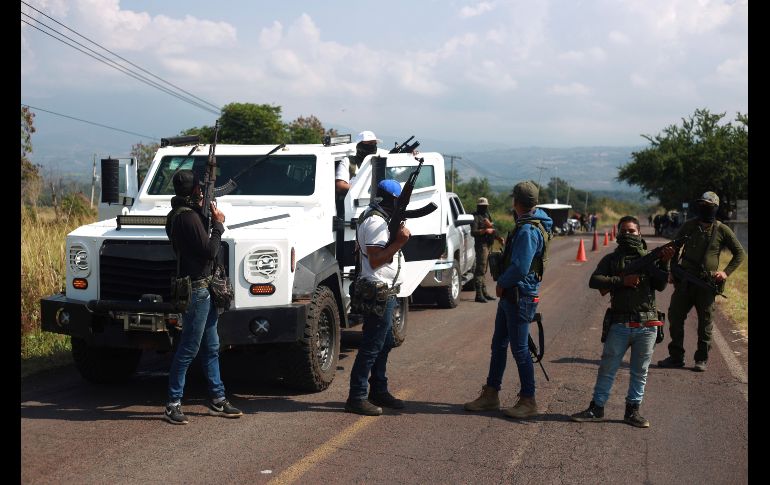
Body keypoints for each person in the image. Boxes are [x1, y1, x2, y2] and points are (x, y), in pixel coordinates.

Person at [571, 216, 674, 428]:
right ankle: (596, 408)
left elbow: (661, 285)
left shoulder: (651, 258)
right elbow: (594, 280)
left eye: (632, 231)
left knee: (640, 372)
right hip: (619, 324)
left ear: (640, 233)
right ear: (618, 234)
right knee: (607, 369)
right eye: (624, 231)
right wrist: (622, 281)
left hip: (647, 325)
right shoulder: (611, 260)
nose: (628, 234)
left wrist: (665, 261)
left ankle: (632, 411)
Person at [464, 181, 552, 419]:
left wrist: (502, 282)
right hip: (513, 295)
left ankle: (528, 400)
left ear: (516, 202)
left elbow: (521, 267)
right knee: (499, 345)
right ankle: (491, 394)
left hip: (519, 295)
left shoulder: (527, 230)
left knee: (520, 350)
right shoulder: (531, 223)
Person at [163, 170, 242, 424]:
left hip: (202, 288)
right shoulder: (187, 218)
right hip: (197, 290)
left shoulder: (179, 214)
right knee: (189, 348)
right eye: (200, 188)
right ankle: (173, 403)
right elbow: (210, 250)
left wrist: (206, 214)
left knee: (211, 346)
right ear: (195, 190)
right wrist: (218, 224)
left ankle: (218, 398)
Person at [658, 191, 745, 372]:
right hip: (685, 281)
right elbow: (674, 247)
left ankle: (701, 359)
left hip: (706, 284)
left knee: (705, 323)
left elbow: (740, 253)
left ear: (715, 208)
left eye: (708, 205)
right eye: (702, 204)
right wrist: (672, 269)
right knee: (675, 316)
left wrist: (725, 273)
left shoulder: (722, 229)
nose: (704, 208)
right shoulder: (689, 225)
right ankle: (676, 356)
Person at [345, 179, 411, 416]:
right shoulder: (375, 221)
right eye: (400, 201)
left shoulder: (381, 218)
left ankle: (378, 389)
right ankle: (357, 396)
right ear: (393, 200)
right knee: (372, 346)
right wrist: (400, 242)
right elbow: (375, 260)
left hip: (385, 289)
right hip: (378, 290)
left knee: (384, 343)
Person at [470, 197, 503, 303]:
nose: (484, 208)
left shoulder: (487, 215)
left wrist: (498, 237)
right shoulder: (476, 217)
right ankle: (478, 294)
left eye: (485, 206)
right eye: (482, 206)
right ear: (478, 206)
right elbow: (473, 232)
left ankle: (484, 293)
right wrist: (485, 230)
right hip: (481, 245)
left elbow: (492, 229)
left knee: (484, 269)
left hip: (488, 244)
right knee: (480, 269)